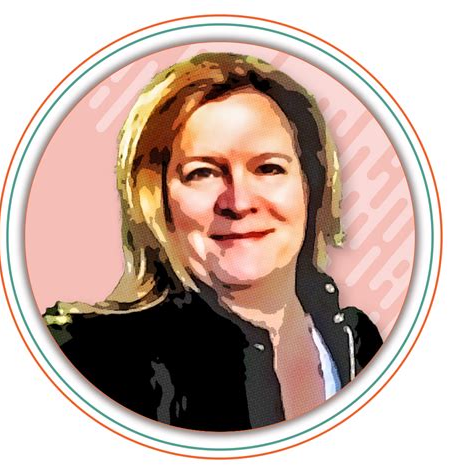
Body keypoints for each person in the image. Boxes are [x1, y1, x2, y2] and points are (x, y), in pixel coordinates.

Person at [44, 52, 383, 432]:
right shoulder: (88, 361)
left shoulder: (360, 346)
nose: (238, 202)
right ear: (156, 199)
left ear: (311, 187)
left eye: (269, 168)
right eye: (203, 173)